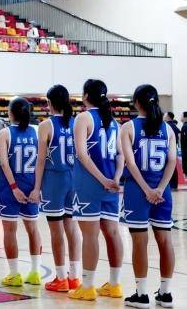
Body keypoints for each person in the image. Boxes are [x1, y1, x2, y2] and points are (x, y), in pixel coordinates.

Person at [68, 79, 124, 302]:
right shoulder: (114, 122)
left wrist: (102, 180)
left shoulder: (83, 118)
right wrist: (115, 178)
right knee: (113, 233)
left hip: (89, 184)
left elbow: (82, 154)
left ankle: (88, 286)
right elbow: (121, 154)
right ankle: (115, 284)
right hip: (111, 183)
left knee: (90, 236)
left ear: (85, 96)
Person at [120, 85, 175, 308]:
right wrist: (160, 188)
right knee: (165, 241)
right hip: (163, 192)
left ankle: (141, 295)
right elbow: (172, 161)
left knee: (139, 242)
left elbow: (131, 163)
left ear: (136, 102)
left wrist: (146, 190)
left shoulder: (128, 127)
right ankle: (166, 293)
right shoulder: (168, 129)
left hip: (137, 190)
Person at [29, 85, 81, 292]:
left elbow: (41, 160)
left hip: (54, 180)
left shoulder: (46, 125)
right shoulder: (76, 122)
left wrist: (36, 188)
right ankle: (74, 277)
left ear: (49, 103)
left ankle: (60, 278)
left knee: (56, 230)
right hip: (74, 179)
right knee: (72, 228)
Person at [0, 97, 42, 286]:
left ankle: (14, 274)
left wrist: (14, 187)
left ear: (10, 112)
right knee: (33, 229)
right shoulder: (37, 131)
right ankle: (35, 272)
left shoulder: (4, 133)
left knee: (9, 230)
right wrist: (37, 188)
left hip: (10, 188)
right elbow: (41, 162)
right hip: (31, 186)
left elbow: (4, 164)